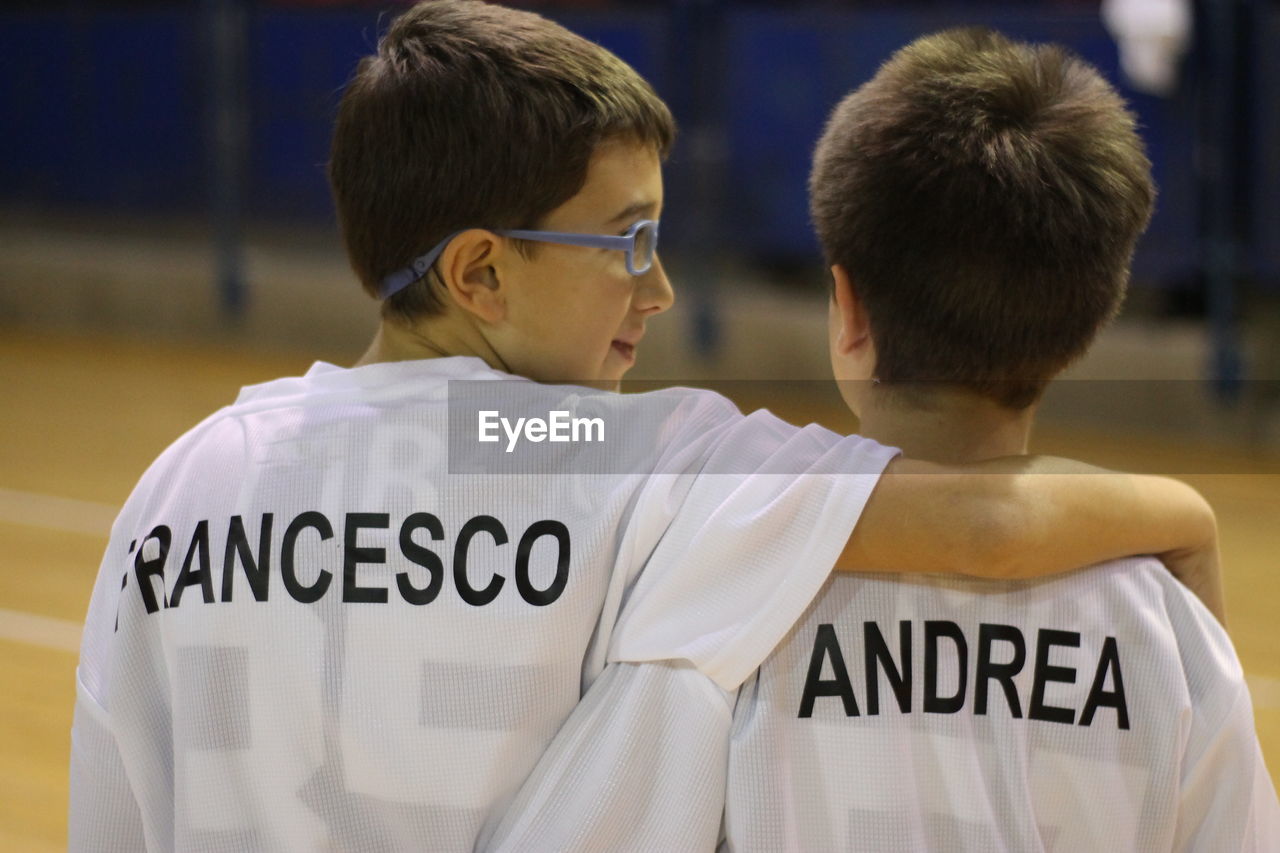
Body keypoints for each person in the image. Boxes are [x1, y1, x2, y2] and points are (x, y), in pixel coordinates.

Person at [67, 6, 1223, 850]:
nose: (656, 288)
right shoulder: (595, 454)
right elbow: (977, 524)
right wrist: (1182, 513)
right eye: (623, 241)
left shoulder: (181, 485)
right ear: (479, 271)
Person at [487, 27, 1276, 853]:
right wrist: (1183, 512)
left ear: (849, 310)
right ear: (1087, 322)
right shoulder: (1173, 639)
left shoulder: (710, 581)